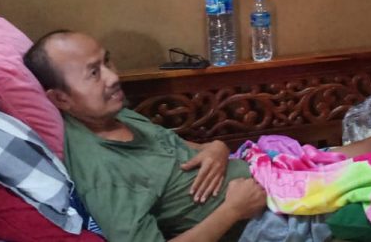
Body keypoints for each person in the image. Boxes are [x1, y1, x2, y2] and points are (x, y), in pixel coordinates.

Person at [23, 30, 268, 242]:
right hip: (258, 227)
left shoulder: (114, 115)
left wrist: (217, 148)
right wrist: (233, 210)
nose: (113, 77)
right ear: (60, 98)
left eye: (107, 61)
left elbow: (183, 148)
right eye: (94, 73)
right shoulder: (103, 172)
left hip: (268, 190)